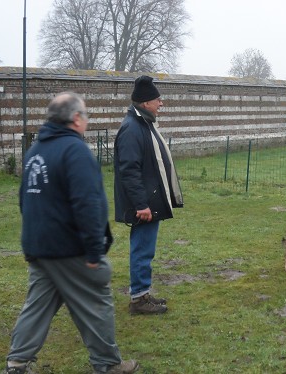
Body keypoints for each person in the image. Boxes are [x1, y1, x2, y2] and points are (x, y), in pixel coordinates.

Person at [5, 92, 138, 373]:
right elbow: (87, 203)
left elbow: (23, 200)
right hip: (70, 247)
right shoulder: (74, 150)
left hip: (39, 247)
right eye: (86, 115)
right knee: (96, 300)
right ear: (76, 118)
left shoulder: (35, 151)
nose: (87, 120)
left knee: (38, 306)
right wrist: (93, 250)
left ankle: (17, 363)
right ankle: (107, 364)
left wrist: (35, 238)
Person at [114, 75, 184, 315]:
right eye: (157, 99)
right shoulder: (132, 128)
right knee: (142, 249)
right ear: (145, 103)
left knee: (146, 249)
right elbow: (129, 171)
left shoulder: (143, 124)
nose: (161, 103)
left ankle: (142, 294)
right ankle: (138, 300)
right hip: (144, 205)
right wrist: (141, 204)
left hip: (150, 201)